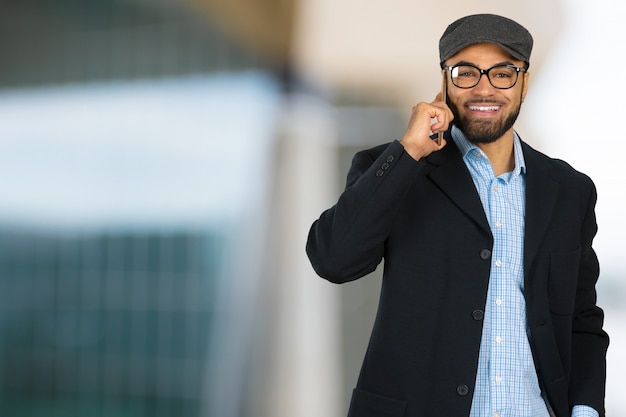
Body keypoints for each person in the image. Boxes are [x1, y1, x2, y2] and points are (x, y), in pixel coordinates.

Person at [305, 13, 608, 417]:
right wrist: (409, 150)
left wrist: (585, 410)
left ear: (524, 83)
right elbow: (333, 259)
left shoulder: (570, 191)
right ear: (445, 81)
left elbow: (581, 321)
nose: (484, 89)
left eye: (503, 73)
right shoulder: (397, 168)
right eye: (466, 73)